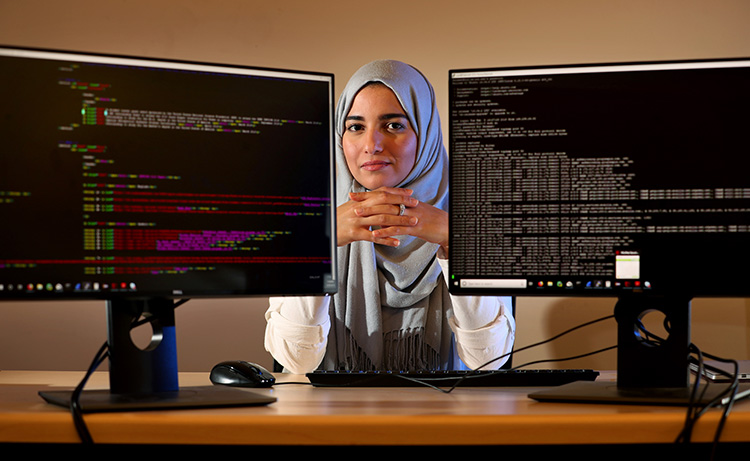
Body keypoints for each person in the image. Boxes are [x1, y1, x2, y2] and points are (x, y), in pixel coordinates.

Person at [264, 59, 514, 373]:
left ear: (426, 135)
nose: (371, 145)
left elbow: (488, 360)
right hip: (330, 415)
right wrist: (320, 243)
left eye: (393, 125)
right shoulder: (308, 219)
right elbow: (295, 362)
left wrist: (456, 242)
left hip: (442, 413)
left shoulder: (471, 223)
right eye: (356, 127)